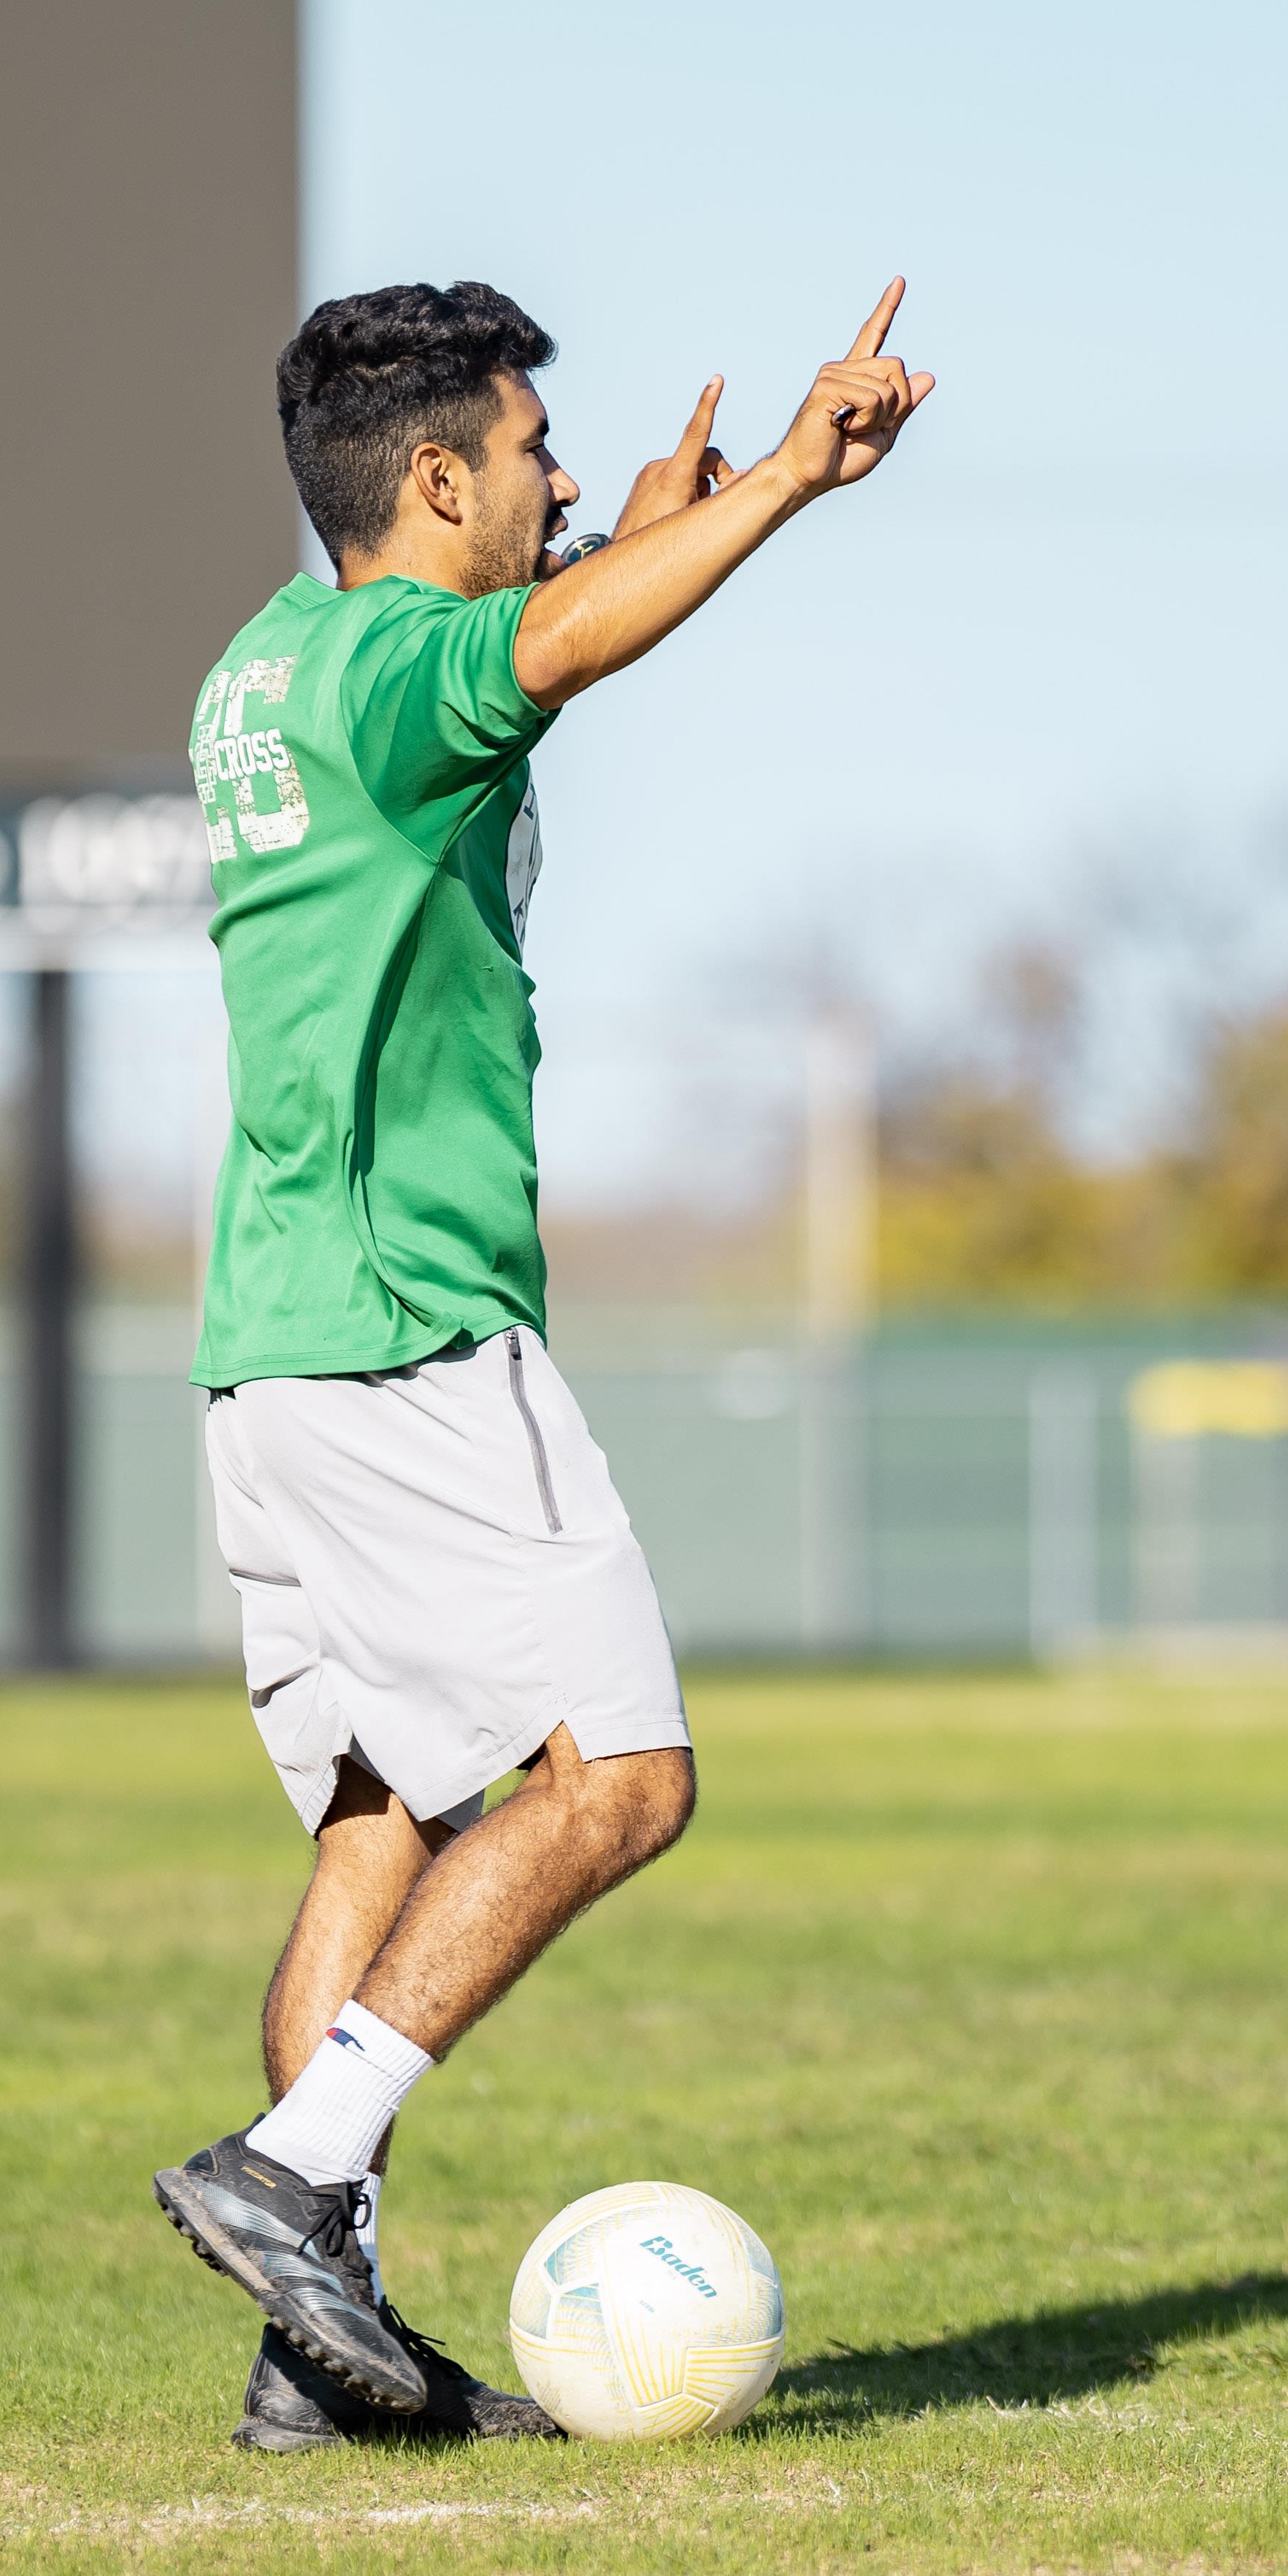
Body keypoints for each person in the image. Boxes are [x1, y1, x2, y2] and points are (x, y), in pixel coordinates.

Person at [155, 277, 932, 2449]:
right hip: (409, 1329)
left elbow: (514, 663)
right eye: (531, 450)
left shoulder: (273, 667)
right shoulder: (412, 658)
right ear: (431, 478)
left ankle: (318, 2356)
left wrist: (619, 545)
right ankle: (288, 2179)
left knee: (386, 1826)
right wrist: (783, 481)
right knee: (622, 1774)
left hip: (274, 1341)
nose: (562, 474)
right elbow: (532, 656)